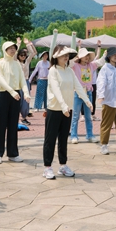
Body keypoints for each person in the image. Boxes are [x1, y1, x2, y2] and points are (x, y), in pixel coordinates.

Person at [43, 46, 93, 179]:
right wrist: (63, 106)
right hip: (55, 109)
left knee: (63, 139)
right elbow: (56, 89)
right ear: (56, 56)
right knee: (50, 139)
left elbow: (78, 86)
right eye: (63, 55)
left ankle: (63, 166)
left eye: (67, 55)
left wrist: (87, 101)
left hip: (67, 110)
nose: (66, 57)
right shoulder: (53, 71)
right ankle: (47, 167)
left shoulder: (70, 71)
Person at [0, 38, 34, 164]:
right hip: (3, 94)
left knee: (13, 124)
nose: (12, 50)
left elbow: (22, 80)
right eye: (10, 48)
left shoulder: (17, 64)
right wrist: (11, 91)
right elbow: (0, 79)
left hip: (15, 95)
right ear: (5, 50)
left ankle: (13, 153)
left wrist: (26, 93)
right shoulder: (0, 63)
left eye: (14, 48)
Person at [70, 42, 102, 143]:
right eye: (85, 56)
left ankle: (90, 135)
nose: (87, 57)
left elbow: (100, 62)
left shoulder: (91, 65)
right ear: (80, 57)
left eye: (88, 56)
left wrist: (104, 54)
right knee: (76, 115)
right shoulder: (75, 66)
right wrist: (76, 54)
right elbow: (69, 63)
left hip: (88, 92)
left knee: (88, 116)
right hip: (78, 93)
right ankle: (74, 135)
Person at [29, 48, 51, 113]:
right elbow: (35, 71)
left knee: (46, 94)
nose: (45, 56)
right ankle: (37, 107)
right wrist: (30, 79)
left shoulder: (49, 63)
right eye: (44, 55)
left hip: (47, 80)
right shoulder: (39, 63)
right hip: (41, 80)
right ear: (42, 56)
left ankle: (46, 107)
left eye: (46, 55)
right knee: (39, 93)